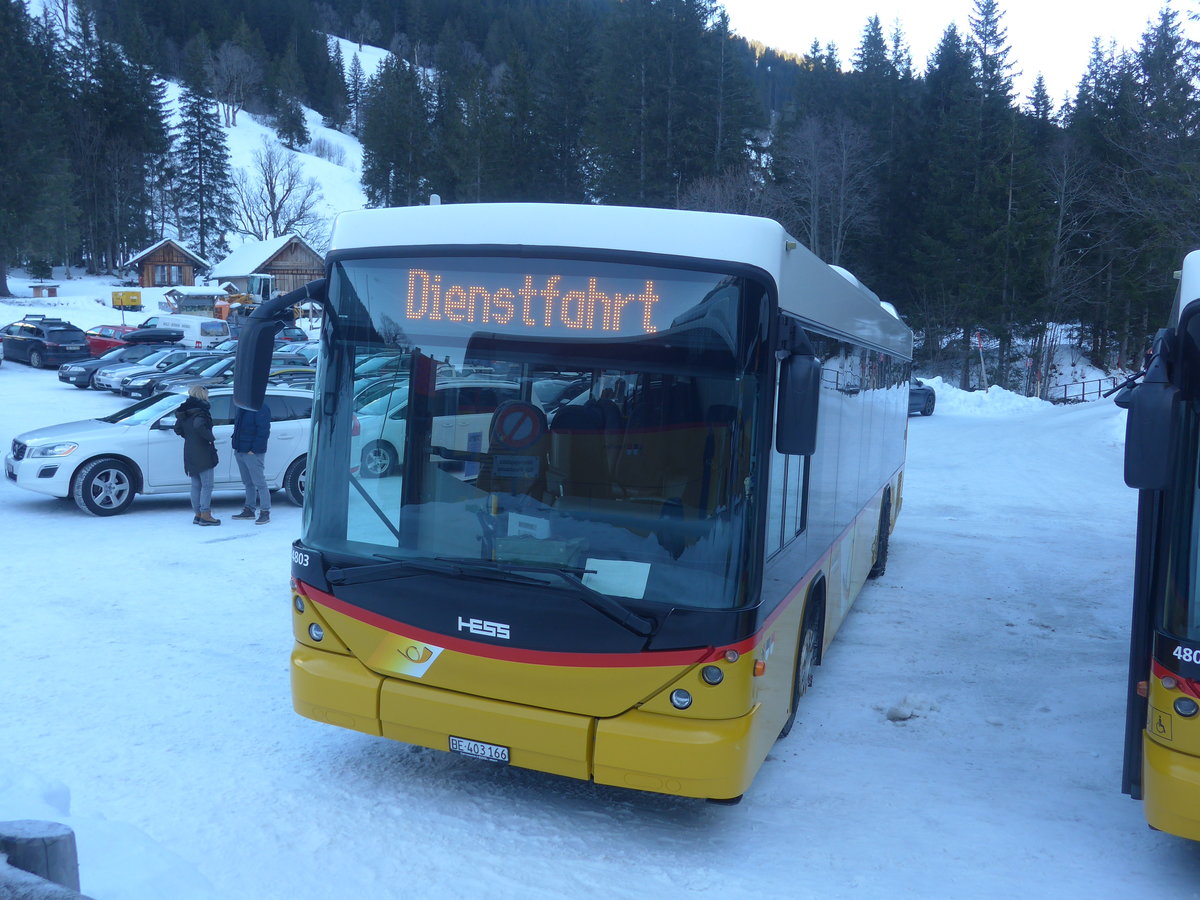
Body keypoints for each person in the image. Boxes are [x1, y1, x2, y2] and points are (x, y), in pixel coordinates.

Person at [173, 384, 220, 525]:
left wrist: (190, 436)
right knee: (207, 485)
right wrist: (210, 437)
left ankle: (198, 514)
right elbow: (199, 425)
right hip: (203, 451)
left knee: (195, 484)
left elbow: (177, 429)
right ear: (202, 395)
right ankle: (205, 514)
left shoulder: (185, 411)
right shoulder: (201, 411)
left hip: (189, 450)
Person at [231, 400, 272, 524]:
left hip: (252, 452)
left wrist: (254, 449)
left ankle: (265, 511)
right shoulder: (243, 406)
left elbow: (263, 430)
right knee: (248, 482)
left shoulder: (260, 407)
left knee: (260, 483)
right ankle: (249, 509)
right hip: (240, 449)